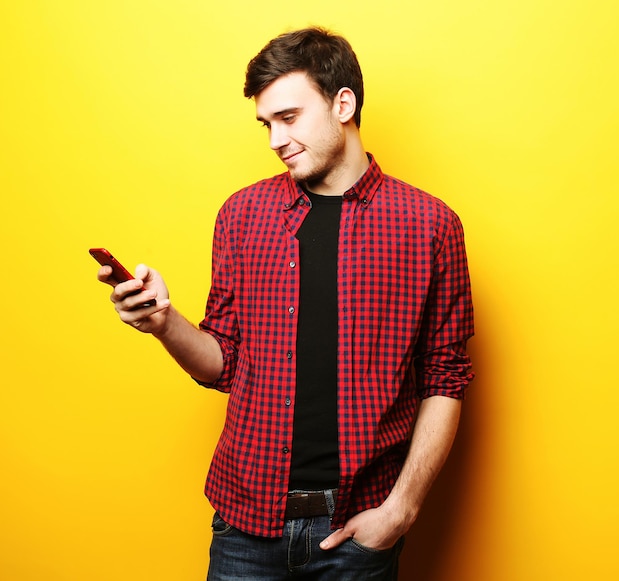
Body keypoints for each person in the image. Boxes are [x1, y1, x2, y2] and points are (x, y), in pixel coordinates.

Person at [97, 27, 474, 580]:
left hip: (358, 532)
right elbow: (220, 362)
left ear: (342, 104)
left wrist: (402, 509)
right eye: (266, 124)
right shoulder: (243, 215)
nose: (275, 139)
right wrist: (163, 323)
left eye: (289, 117)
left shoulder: (429, 225)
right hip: (245, 527)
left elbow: (446, 379)